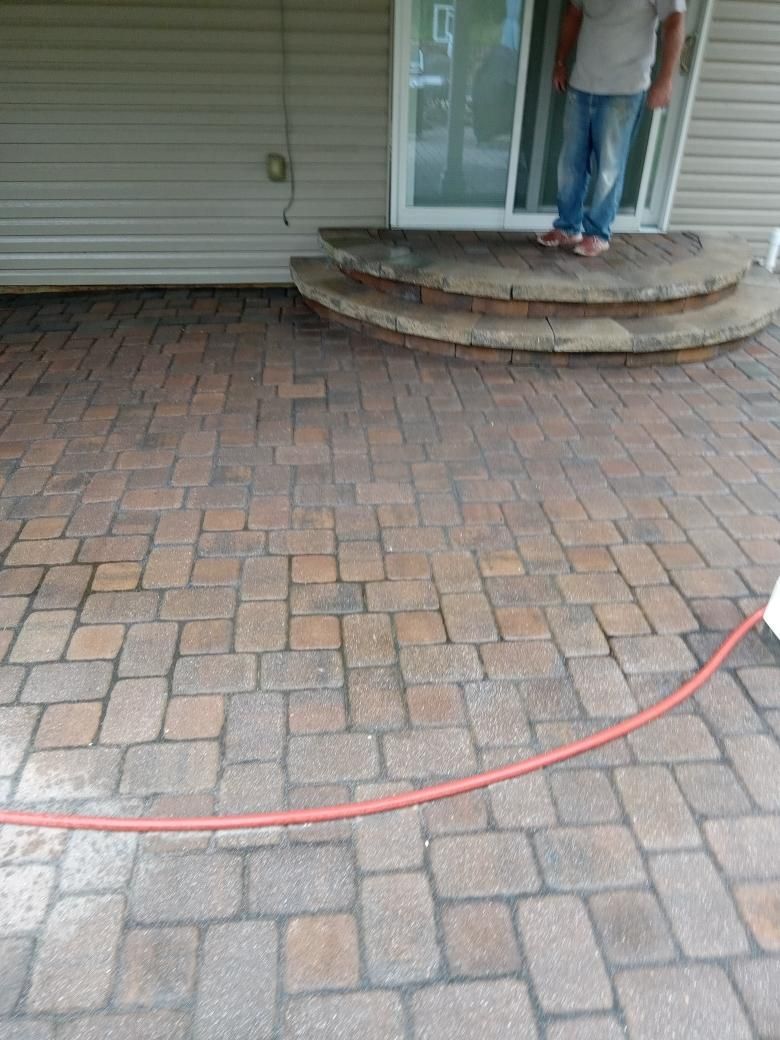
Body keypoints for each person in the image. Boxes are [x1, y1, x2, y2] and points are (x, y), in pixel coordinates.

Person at [537, 0, 686, 257]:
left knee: (609, 167)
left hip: (625, 90)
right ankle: (567, 227)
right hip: (582, 83)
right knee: (570, 164)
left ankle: (597, 233)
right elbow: (574, 13)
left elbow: (674, 22)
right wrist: (560, 61)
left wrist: (665, 79)